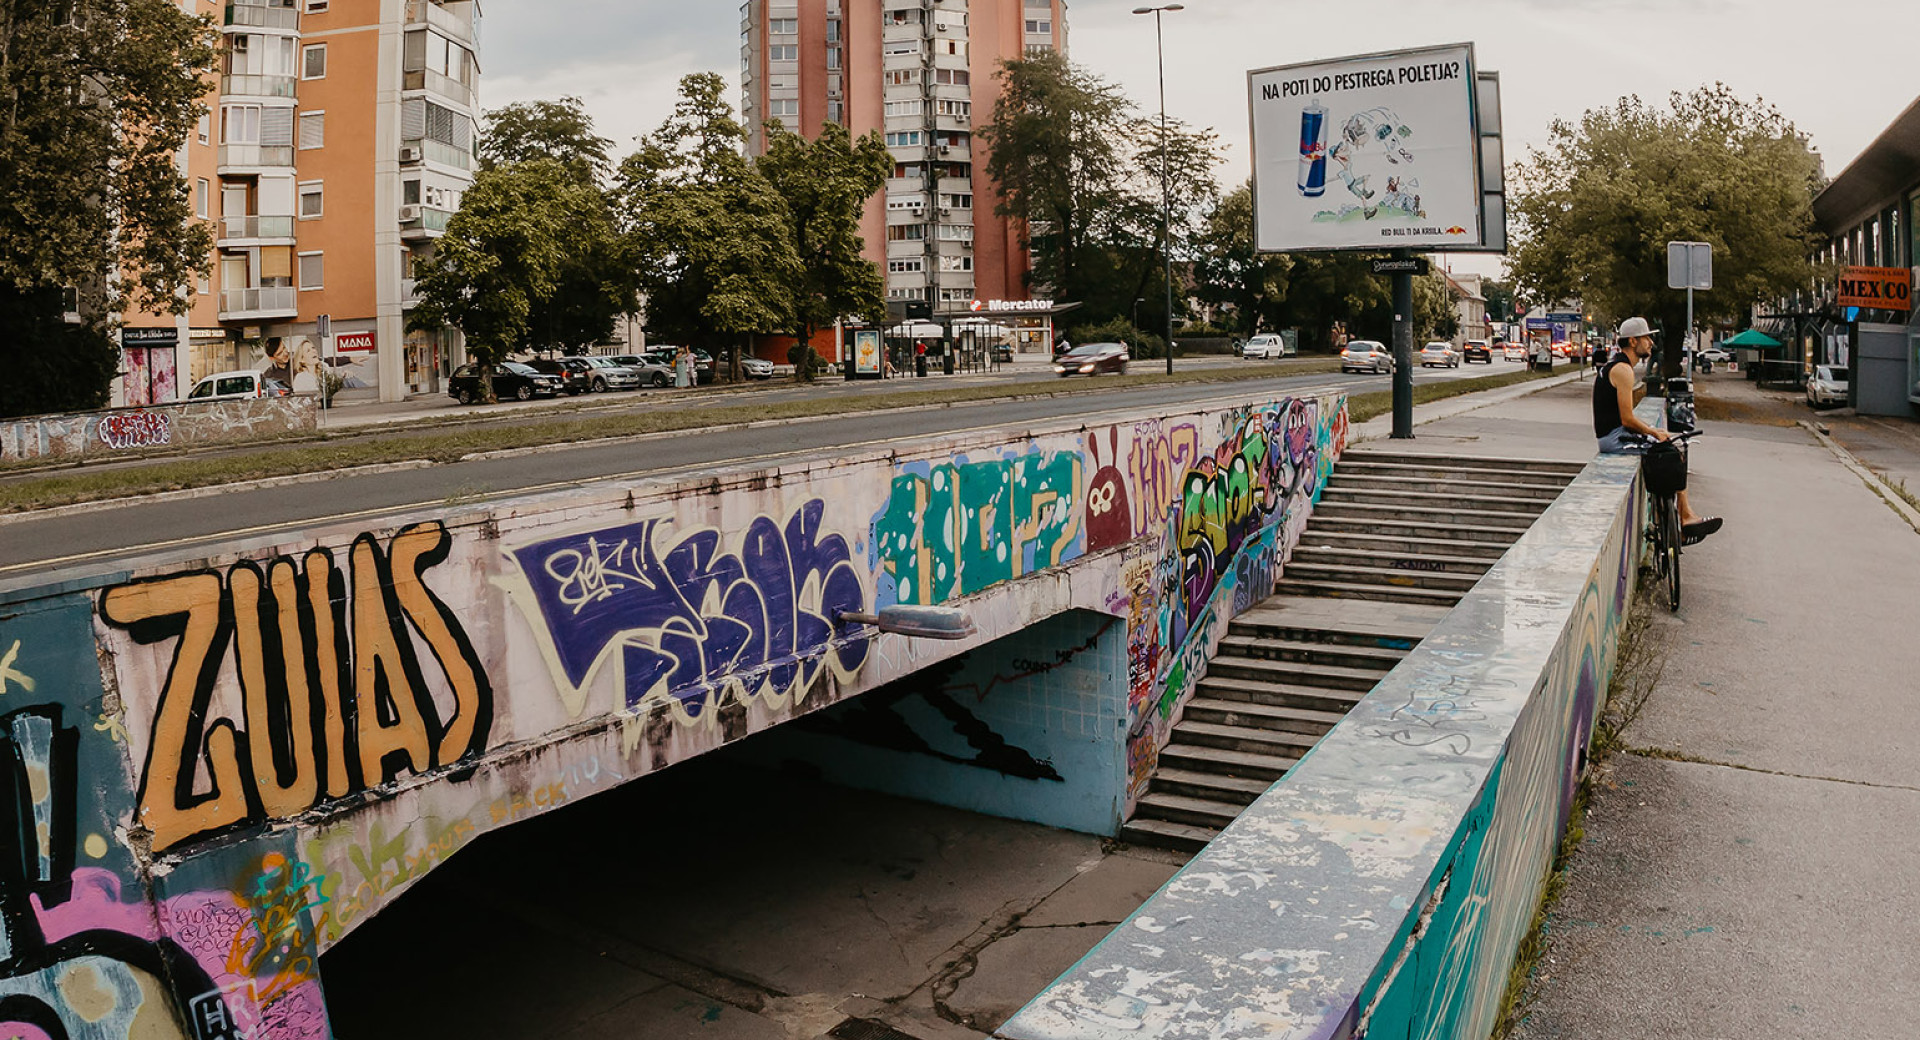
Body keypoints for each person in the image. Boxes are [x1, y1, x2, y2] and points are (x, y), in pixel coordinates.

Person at [1596, 317, 1722, 544]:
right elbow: (1626, 418)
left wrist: (1652, 432)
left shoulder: (1615, 366)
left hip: (1616, 435)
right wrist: (1654, 433)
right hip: (1614, 440)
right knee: (1671, 453)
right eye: (1646, 338)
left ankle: (1682, 516)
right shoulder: (1623, 370)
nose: (1651, 342)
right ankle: (1685, 517)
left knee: (1672, 447)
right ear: (1633, 341)